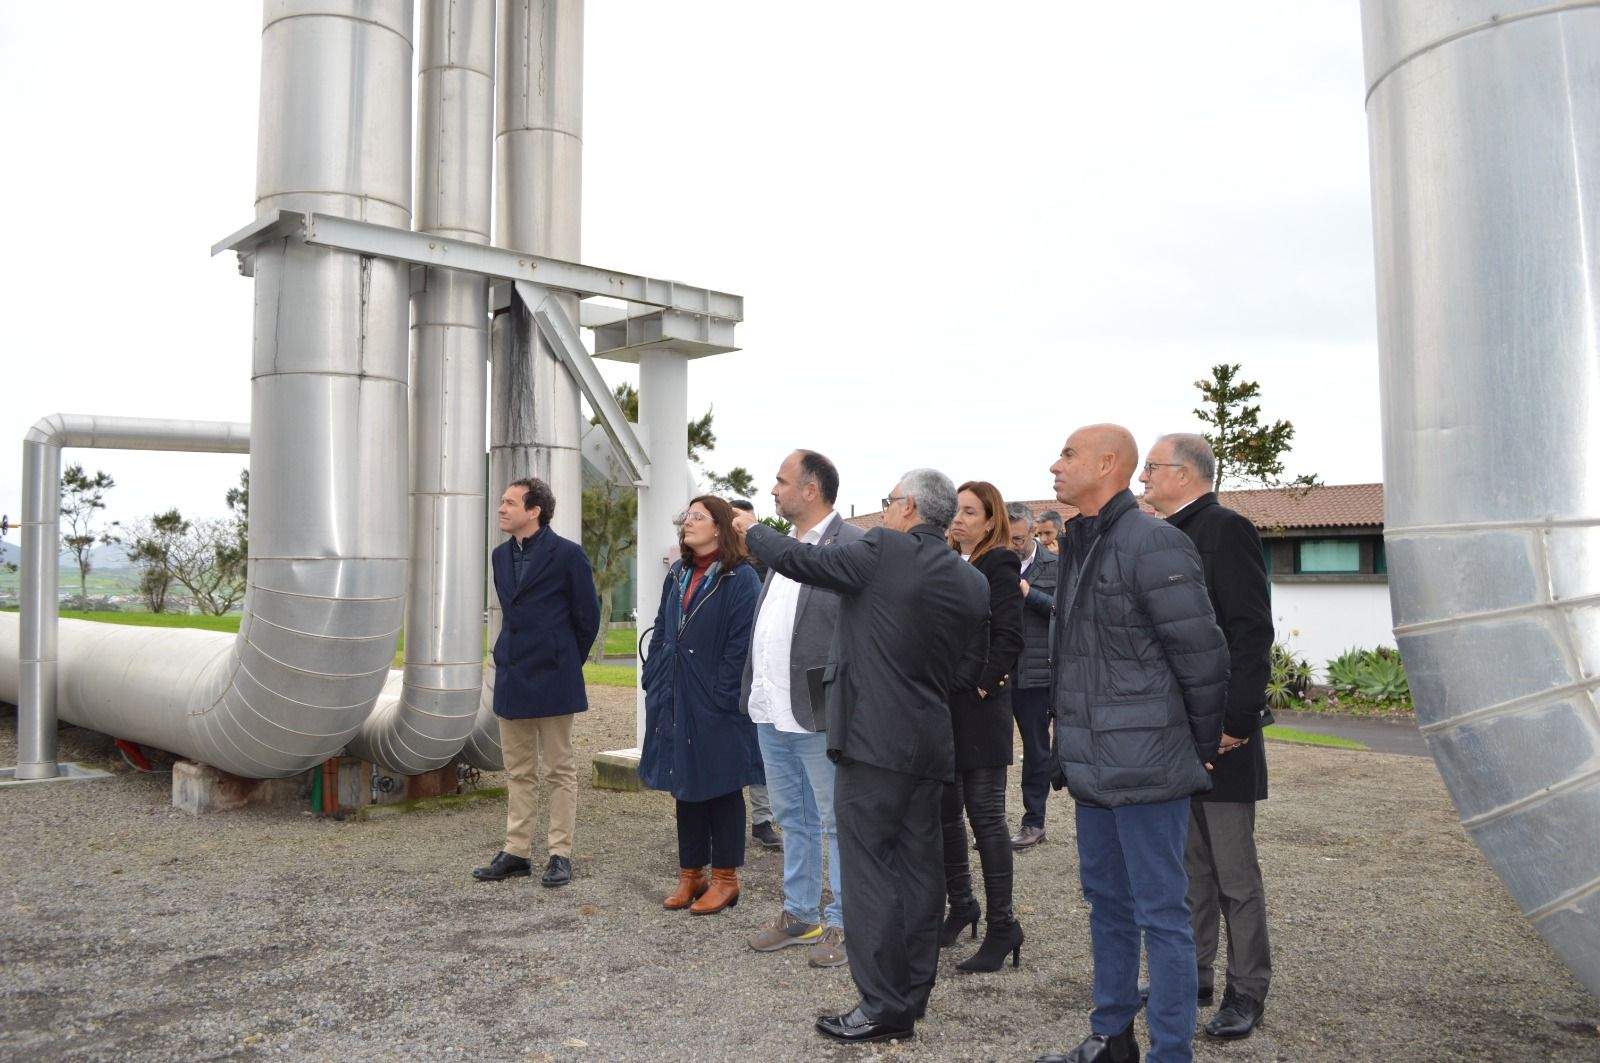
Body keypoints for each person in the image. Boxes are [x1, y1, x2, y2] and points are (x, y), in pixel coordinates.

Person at [731, 469, 988, 1045]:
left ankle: (881, 1006)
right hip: (930, 741)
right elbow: (970, 671)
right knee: (922, 874)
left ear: (910, 508)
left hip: (873, 743)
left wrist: (752, 533)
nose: (884, 510)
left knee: (870, 873)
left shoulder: (884, 549)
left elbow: (808, 564)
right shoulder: (968, 580)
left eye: (889, 501)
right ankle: (912, 993)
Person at [1034, 425, 1228, 1063]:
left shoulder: (1154, 543)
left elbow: (1202, 657)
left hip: (1147, 769)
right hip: (1092, 772)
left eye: (1068, 454)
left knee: (1162, 917)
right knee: (1107, 907)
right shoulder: (1080, 544)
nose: (1055, 465)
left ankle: (1171, 1053)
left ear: (1108, 464)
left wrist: (1196, 751)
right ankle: (1111, 1037)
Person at [1140, 433, 1274, 1040]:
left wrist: (1236, 722)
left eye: (1153, 467)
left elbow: (1250, 631)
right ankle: (1191, 975)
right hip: (1176, 734)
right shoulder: (1164, 534)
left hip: (1223, 736)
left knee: (1234, 875)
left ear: (1187, 473)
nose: (1144, 478)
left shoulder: (1226, 529)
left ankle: (1246, 991)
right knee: (1189, 867)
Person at [740, 450, 863, 969]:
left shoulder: (852, 545)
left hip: (819, 708)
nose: (773, 490)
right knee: (794, 817)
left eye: (781, 481)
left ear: (811, 490)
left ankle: (845, 924)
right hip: (772, 708)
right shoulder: (787, 550)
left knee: (837, 821)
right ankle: (800, 913)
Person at [639, 495, 765, 915]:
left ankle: (726, 878)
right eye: (687, 516)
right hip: (675, 693)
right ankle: (690, 873)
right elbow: (660, 631)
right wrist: (652, 675)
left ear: (720, 527)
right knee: (685, 782)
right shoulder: (677, 573)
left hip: (718, 701)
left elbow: (741, 644)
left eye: (698, 516)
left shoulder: (740, 578)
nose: (688, 522)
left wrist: (723, 694)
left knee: (723, 785)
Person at [473, 478, 600, 890]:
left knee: (560, 770)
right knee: (518, 770)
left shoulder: (568, 555)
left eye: (510, 502)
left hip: (554, 676)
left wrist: (564, 659)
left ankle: (560, 854)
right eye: (502, 502)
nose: (502, 508)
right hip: (512, 675)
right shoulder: (498, 557)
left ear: (535, 510)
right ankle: (517, 852)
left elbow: (588, 619)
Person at [940, 481, 1026, 972]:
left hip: (980, 709)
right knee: (945, 813)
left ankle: (1003, 926)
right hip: (946, 708)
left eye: (970, 512)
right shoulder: (952, 563)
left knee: (987, 820)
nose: (959, 519)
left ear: (992, 520)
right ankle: (961, 906)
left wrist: (980, 686)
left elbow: (1009, 636)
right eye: (955, 510)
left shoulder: (998, 563)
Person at [728, 498, 781, 853]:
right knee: (730, 750)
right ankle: (728, 819)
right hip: (729, 673)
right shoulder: (719, 567)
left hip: (760, 671)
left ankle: (762, 819)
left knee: (760, 750)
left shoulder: (769, 563)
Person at [1006, 502, 1057, 849]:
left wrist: (1029, 593)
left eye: (1019, 539)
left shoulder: (1057, 567)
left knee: (1037, 750)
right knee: (992, 752)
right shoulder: (994, 564)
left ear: (1033, 531)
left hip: (1037, 676)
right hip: (999, 673)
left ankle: (1034, 822)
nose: (1013, 546)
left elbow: (1063, 610)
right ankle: (992, 824)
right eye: (1007, 540)